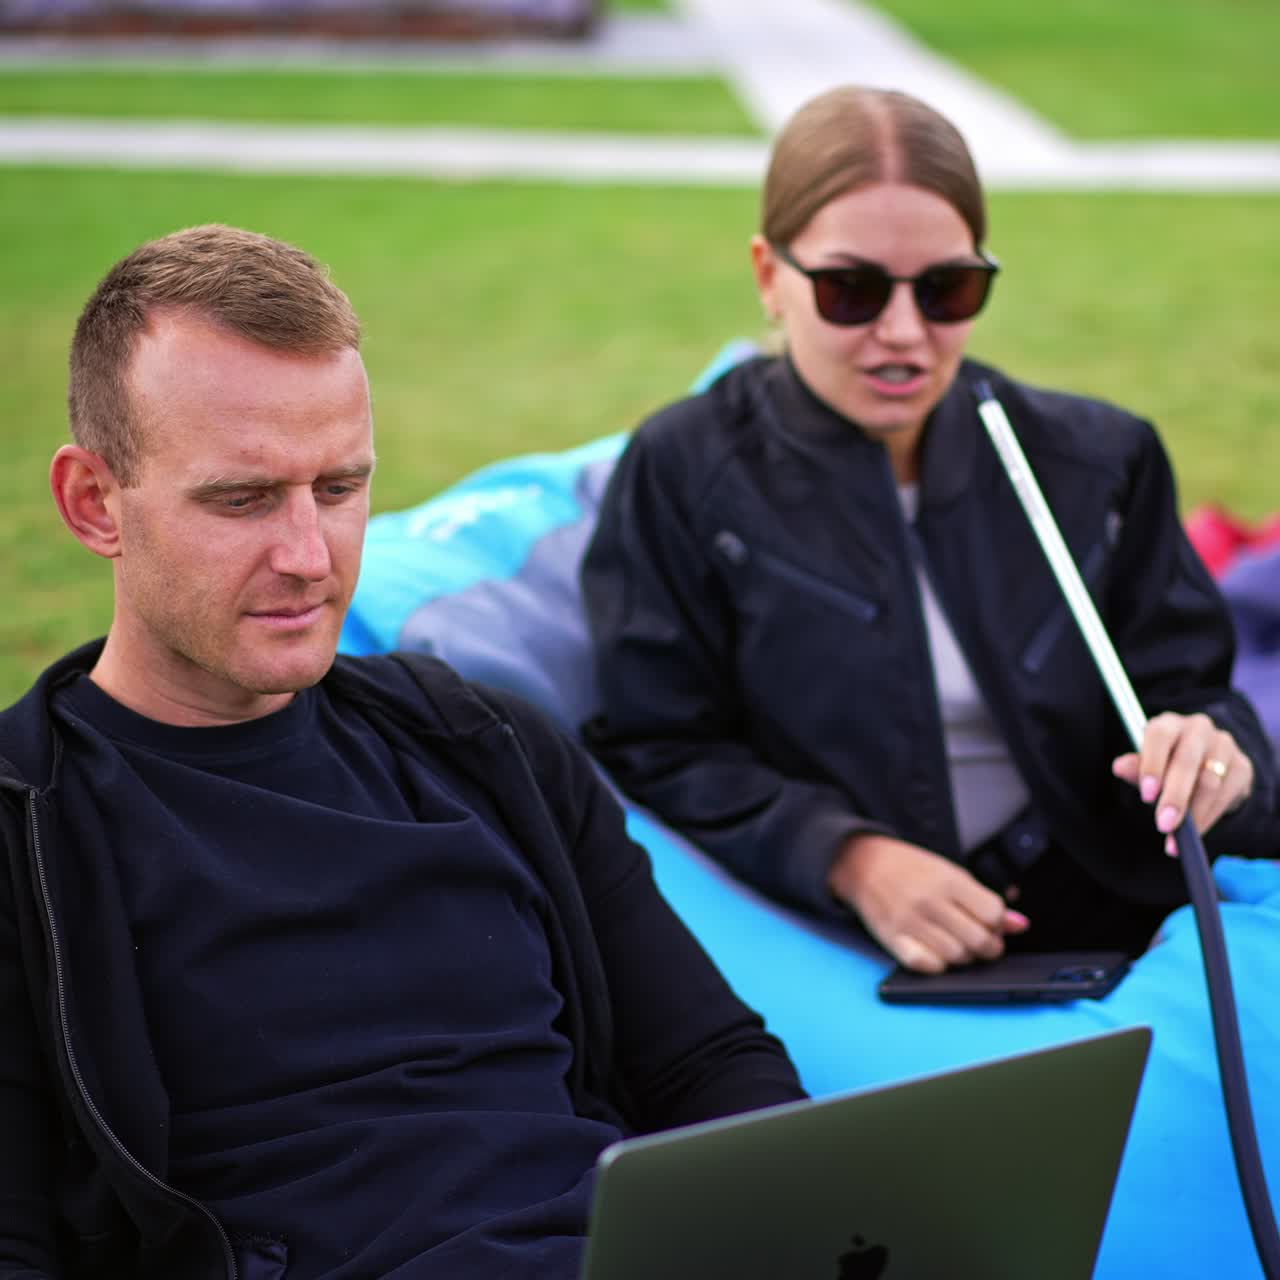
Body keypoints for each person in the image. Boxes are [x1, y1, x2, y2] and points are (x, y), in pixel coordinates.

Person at [0, 224, 806, 1279]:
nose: (306, 555)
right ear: (93, 502)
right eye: (242, 498)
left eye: (338, 488)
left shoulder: (488, 749)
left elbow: (711, 1062)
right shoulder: (31, 831)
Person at [580, 86, 1278, 977]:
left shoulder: (1102, 460)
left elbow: (1195, 692)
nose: (904, 334)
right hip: (827, 943)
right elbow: (656, 743)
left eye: (948, 288)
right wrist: (848, 857)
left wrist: (1217, 750)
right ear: (768, 276)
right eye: (850, 289)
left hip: (1110, 916)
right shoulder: (684, 469)